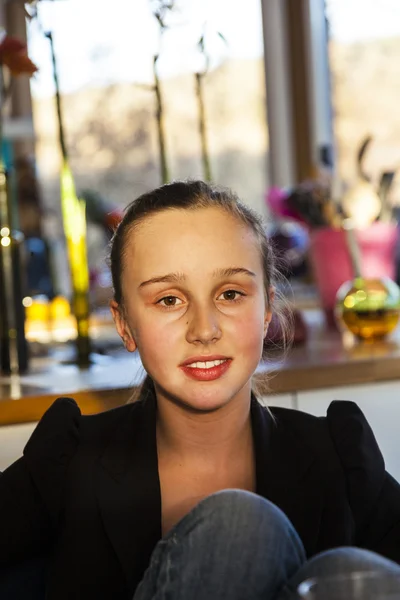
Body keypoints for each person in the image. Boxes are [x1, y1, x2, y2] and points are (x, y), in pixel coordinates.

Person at [1, 180, 400, 600]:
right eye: (169, 300)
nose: (205, 330)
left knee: (346, 571)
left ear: (267, 310)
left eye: (230, 294)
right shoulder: (68, 462)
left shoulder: (340, 456)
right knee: (240, 527)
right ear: (124, 324)